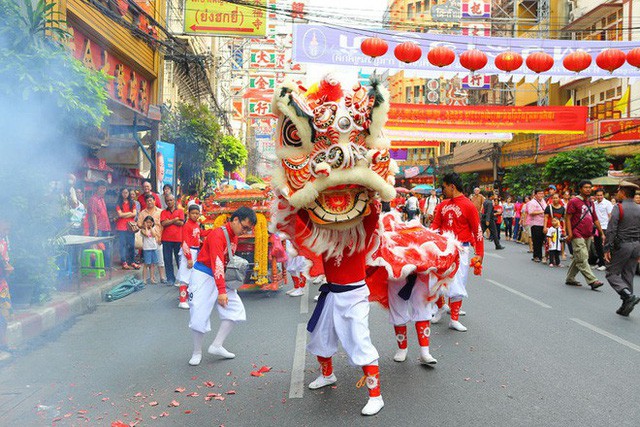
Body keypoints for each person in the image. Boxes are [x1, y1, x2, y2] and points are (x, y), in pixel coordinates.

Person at [304, 200, 384, 416]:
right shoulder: (323, 231)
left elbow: (374, 211)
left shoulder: (361, 230)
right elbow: (303, 215)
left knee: (359, 340)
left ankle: (376, 396)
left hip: (354, 295)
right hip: (331, 293)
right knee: (320, 336)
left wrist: (368, 189)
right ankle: (327, 375)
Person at [187, 207, 256, 366]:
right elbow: (217, 262)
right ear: (236, 220)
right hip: (203, 275)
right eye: (244, 227)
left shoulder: (234, 236)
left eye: (248, 229)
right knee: (198, 314)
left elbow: (224, 263)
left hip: (219, 276)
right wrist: (222, 291)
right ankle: (196, 351)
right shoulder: (218, 234)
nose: (244, 231)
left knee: (236, 309)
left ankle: (217, 345)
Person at [431, 173, 484, 332]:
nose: (443, 190)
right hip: (443, 249)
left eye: (444, 187)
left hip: (461, 250)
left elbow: (478, 231)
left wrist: (479, 253)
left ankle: (454, 319)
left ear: (452, 186)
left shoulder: (468, 205)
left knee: (458, 282)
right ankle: (440, 307)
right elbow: (435, 226)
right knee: (436, 281)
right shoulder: (442, 205)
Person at [604, 182, 640, 316]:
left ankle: (627, 296)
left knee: (611, 273)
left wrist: (607, 248)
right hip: (636, 245)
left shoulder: (618, 207)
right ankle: (626, 306)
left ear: (623, 193)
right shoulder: (639, 208)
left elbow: (611, 230)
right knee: (628, 274)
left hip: (623, 246)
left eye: (618, 191)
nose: (617, 193)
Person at [565, 180, 605, 290]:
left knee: (579, 256)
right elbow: (567, 218)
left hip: (588, 233)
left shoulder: (590, 202)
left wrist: (601, 233)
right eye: (585, 187)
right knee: (583, 257)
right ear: (580, 189)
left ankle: (570, 278)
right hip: (577, 233)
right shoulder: (574, 201)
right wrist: (569, 233)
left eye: (589, 187)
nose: (588, 189)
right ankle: (592, 280)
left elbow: (595, 219)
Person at [177, 204, 202, 309]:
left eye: (197, 213)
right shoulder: (187, 225)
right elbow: (185, 243)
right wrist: (189, 258)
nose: (195, 215)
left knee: (193, 277)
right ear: (188, 213)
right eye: (193, 213)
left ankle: (189, 298)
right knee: (185, 276)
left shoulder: (196, 224)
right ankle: (182, 300)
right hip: (189, 251)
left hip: (196, 251)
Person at [138, 194, 166, 283]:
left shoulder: (160, 212)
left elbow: (163, 225)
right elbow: (139, 224)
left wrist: (161, 237)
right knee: (148, 261)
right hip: (147, 239)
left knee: (160, 259)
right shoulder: (142, 213)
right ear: (145, 202)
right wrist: (145, 227)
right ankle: (149, 278)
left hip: (158, 238)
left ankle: (162, 277)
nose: (149, 202)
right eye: (148, 201)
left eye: (151, 200)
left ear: (154, 201)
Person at [161, 193, 185, 285]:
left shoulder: (180, 211)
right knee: (167, 259)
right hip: (166, 239)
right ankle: (170, 278)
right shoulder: (163, 212)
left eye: (171, 200)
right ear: (166, 202)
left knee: (179, 260)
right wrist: (175, 220)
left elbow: (181, 223)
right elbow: (163, 223)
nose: (169, 202)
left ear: (174, 201)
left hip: (178, 239)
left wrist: (169, 221)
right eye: (167, 201)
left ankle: (181, 278)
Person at [88, 181, 112, 268]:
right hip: (98, 228)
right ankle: (97, 266)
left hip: (105, 227)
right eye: (101, 187)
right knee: (98, 247)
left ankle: (106, 266)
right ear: (97, 188)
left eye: (104, 188)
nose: (103, 190)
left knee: (106, 247)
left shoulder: (102, 199)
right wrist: (95, 228)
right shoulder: (93, 199)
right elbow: (93, 214)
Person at [114, 188, 139, 270]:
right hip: (121, 227)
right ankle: (124, 261)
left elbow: (134, 213)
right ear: (121, 193)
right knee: (123, 245)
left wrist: (125, 214)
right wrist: (129, 213)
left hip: (130, 227)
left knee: (132, 245)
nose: (125, 194)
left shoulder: (132, 203)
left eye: (127, 192)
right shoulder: (118, 203)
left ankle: (132, 261)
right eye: (124, 192)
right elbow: (120, 215)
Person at [593, 189, 613, 271]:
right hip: (596, 227)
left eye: (601, 195)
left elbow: (610, 216)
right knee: (597, 246)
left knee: (604, 246)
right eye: (597, 195)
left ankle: (605, 264)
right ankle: (600, 262)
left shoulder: (607, 203)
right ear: (595, 196)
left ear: (603, 195)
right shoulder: (594, 204)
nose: (599, 197)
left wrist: (610, 228)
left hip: (605, 227)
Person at [525, 189, 546, 263]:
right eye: (539, 194)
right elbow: (531, 212)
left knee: (541, 240)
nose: (541, 195)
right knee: (536, 240)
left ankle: (540, 255)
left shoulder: (543, 201)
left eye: (542, 193)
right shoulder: (532, 202)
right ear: (535, 194)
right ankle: (536, 256)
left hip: (543, 223)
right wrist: (542, 212)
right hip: (535, 223)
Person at [141, 215, 161, 284]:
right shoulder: (143, 230)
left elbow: (154, 234)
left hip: (153, 248)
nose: (149, 224)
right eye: (147, 222)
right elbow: (146, 234)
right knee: (146, 264)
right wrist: (146, 227)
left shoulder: (154, 228)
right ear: (144, 222)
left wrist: (151, 227)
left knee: (152, 264)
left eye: (150, 222)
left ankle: (152, 278)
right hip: (147, 248)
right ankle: (144, 279)